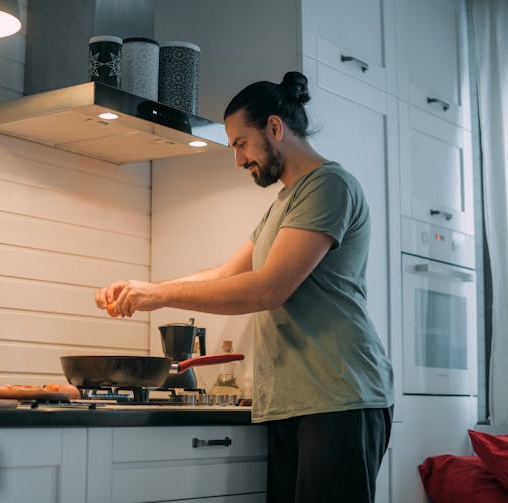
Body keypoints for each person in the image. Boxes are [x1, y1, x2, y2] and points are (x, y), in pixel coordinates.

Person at [94, 71, 395, 503]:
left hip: (340, 398)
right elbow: (226, 275)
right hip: (297, 402)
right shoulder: (285, 203)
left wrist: (160, 296)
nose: (238, 160)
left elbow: (267, 289)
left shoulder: (330, 186)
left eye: (240, 143)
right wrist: (146, 288)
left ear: (275, 127)